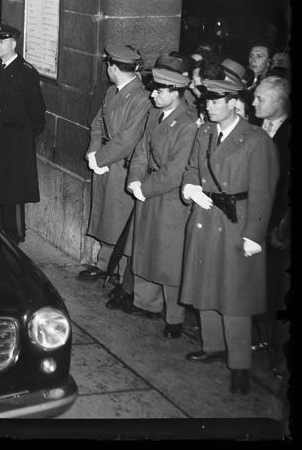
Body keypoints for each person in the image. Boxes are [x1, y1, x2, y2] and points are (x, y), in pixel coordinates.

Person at [179, 69, 276, 396]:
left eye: (215, 101)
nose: (208, 106)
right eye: (206, 100)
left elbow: (263, 191)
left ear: (234, 102)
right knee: (205, 284)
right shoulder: (205, 132)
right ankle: (213, 346)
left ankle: (240, 365)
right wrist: (190, 187)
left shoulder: (256, 140)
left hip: (236, 224)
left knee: (235, 296)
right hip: (206, 218)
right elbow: (192, 167)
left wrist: (254, 234)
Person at [124, 55, 198, 336]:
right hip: (147, 189)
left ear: (176, 93)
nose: (152, 94)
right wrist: (134, 178)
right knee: (146, 247)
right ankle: (146, 303)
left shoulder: (187, 125)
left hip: (169, 198)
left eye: (159, 91)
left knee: (169, 257)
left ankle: (175, 318)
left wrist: (144, 188)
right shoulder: (155, 115)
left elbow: (175, 171)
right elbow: (141, 151)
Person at [80, 43, 151, 304]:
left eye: (108, 65)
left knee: (119, 220)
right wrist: (93, 152)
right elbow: (97, 123)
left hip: (120, 165)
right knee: (105, 215)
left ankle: (121, 275)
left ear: (114, 67)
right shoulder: (112, 91)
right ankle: (104, 263)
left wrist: (101, 158)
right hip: (104, 160)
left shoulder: (141, 98)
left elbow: (127, 140)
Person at [0, 24, 46, 243]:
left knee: (13, 190)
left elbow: (37, 112)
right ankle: (0, 227)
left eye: (2, 42)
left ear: (14, 44)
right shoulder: (0, 68)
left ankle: (15, 234)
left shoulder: (25, 71)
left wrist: (22, 136)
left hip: (15, 140)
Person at [251, 74, 290, 378]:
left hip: (281, 225)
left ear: (279, 102)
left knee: (281, 290)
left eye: (260, 98)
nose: (254, 102)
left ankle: (281, 353)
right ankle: (261, 337)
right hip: (258, 219)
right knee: (261, 283)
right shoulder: (256, 127)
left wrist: (281, 224)